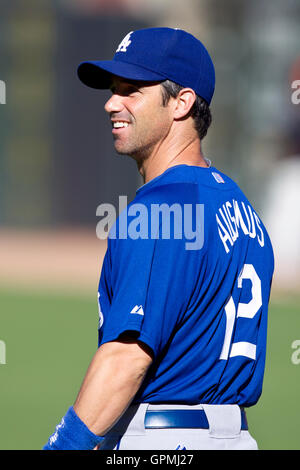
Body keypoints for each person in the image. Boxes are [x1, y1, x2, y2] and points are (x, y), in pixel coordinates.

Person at [43, 27, 274, 451]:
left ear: (182, 103)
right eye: (114, 89)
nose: (112, 102)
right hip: (234, 437)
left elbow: (127, 358)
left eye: (132, 90)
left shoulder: (161, 210)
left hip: (163, 440)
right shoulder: (239, 207)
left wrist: (64, 446)